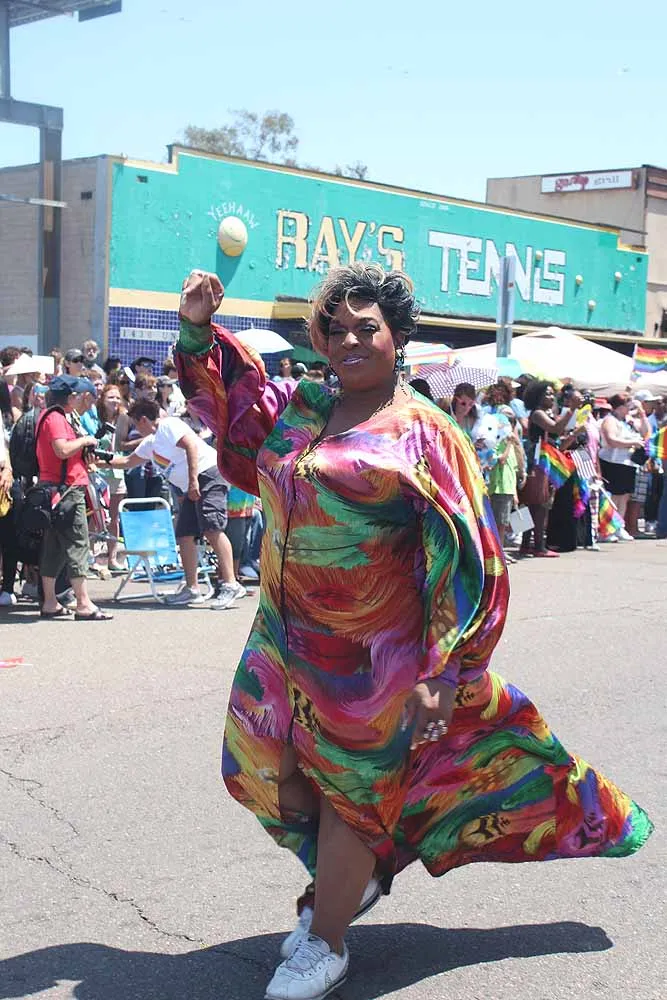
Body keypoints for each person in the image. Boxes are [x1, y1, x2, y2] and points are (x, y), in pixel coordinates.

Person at [175, 264, 652, 1000]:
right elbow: (234, 414)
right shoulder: (303, 408)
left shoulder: (425, 433)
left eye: (365, 328)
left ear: (398, 336)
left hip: (375, 656)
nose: (348, 340)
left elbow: (467, 555)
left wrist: (444, 668)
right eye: (335, 329)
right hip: (282, 640)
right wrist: (196, 331)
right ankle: (357, 873)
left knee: (349, 792)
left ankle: (326, 940)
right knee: (261, 764)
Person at [102, 400, 244, 609]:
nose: (135, 429)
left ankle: (231, 584)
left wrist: (193, 481)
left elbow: (191, 446)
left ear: (143, 420)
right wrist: (97, 461)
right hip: (193, 484)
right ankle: (192, 589)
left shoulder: (169, 425)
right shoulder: (150, 444)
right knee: (185, 534)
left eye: (135, 423)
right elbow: (127, 462)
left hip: (208, 474)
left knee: (212, 528)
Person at [35, 375, 112, 620]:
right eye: (77, 395)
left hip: (57, 489)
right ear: (69, 397)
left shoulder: (51, 417)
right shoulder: (56, 419)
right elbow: (62, 449)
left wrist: (83, 452)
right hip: (67, 490)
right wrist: (85, 440)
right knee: (78, 544)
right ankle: (83, 603)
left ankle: (50, 602)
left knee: (54, 547)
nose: (80, 399)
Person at [518, 379, 574, 558]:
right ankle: (538, 546)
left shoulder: (543, 413)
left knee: (533, 502)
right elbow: (555, 429)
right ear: (537, 397)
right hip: (537, 461)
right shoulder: (537, 414)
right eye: (547, 394)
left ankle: (526, 544)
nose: (551, 397)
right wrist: (571, 409)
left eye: (552, 394)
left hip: (543, 459)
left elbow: (557, 434)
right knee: (538, 502)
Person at [599, 393, 649, 540]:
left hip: (628, 463)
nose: (630, 408)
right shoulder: (610, 420)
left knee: (624, 496)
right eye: (628, 405)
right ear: (620, 407)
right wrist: (632, 443)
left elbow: (645, 432)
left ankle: (618, 526)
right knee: (612, 496)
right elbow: (611, 440)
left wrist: (642, 413)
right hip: (612, 462)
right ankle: (607, 529)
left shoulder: (628, 421)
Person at [95, 383, 128, 572]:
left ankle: (112, 558)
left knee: (114, 518)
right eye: (110, 397)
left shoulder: (123, 418)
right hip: (99, 471)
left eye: (117, 397)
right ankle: (92, 557)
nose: (115, 401)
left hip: (117, 471)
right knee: (96, 515)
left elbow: (124, 443)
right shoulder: (94, 417)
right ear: (102, 399)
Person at [487, 405, 525, 560]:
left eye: (512, 422)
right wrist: (509, 443)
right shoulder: (498, 441)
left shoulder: (513, 443)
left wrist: (515, 492)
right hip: (498, 486)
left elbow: (514, 467)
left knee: (504, 522)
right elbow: (500, 460)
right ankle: (498, 553)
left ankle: (501, 551)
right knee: (498, 523)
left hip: (508, 487)